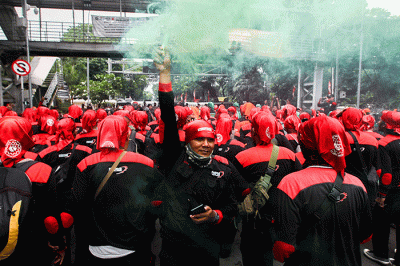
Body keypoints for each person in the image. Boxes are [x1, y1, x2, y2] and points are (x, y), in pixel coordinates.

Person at [153, 47, 249, 266]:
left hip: (207, 249)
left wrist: (215, 215)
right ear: (188, 140)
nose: (206, 145)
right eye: (199, 139)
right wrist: (164, 74)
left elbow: (233, 205)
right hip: (173, 249)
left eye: (210, 140)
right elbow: (168, 115)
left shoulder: (223, 169)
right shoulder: (174, 158)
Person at [271, 116, 373, 266]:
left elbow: (283, 249)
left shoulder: (291, 184)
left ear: (306, 145)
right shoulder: (358, 184)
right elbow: (366, 236)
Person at [70, 115, 164, 266]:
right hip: (136, 245)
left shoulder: (85, 164)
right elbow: (159, 200)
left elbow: (78, 205)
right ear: (126, 135)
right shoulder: (145, 163)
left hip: (95, 246)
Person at [233, 110, 302, 266]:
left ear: (253, 131)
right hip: (282, 217)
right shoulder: (290, 155)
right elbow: (298, 184)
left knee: (254, 256)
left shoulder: (242, 157)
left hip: (254, 220)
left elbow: (236, 190)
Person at [0, 116, 73, 266]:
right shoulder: (41, 170)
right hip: (33, 246)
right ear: (27, 136)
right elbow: (50, 217)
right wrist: (58, 244)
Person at [364, 110, 400, 265]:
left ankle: (381, 254)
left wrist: (382, 196)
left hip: (391, 191)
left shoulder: (385, 143)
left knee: (381, 221)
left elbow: (386, 174)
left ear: (386, 124)